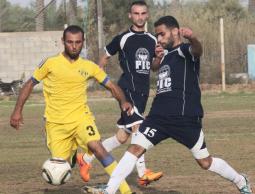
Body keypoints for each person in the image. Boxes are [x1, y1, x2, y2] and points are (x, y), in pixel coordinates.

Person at [82, 16, 253, 194]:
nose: (159, 39)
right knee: (135, 148)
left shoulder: (185, 51)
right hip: (158, 118)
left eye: (162, 34)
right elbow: (155, 68)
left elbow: (197, 50)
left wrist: (193, 38)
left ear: (175, 31)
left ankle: (241, 181)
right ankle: (109, 190)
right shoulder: (165, 55)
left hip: (185, 118)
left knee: (205, 162)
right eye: (157, 35)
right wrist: (157, 58)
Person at [9, 25, 136, 194]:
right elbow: (29, 84)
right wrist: (17, 110)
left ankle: (126, 191)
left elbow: (112, 86)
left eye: (77, 42)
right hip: (56, 124)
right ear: (63, 42)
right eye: (70, 42)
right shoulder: (50, 63)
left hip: (81, 119)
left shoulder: (89, 66)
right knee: (60, 172)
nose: (74, 46)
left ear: (82, 43)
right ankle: (77, 155)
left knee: (98, 147)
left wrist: (123, 101)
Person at [77, 0, 163, 187]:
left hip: (142, 93)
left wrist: (160, 57)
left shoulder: (152, 40)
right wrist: (100, 77)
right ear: (130, 16)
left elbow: (154, 67)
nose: (139, 17)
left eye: (143, 13)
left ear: (147, 15)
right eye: (136, 13)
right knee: (139, 128)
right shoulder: (123, 38)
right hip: (126, 90)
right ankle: (142, 172)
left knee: (122, 137)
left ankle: (86, 159)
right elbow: (105, 56)